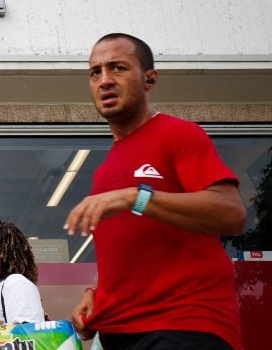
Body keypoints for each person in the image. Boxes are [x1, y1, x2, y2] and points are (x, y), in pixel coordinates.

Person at [64, 33, 247, 350]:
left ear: (149, 79)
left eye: (117, 68)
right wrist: (96, 293)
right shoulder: (104, 170)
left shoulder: (177, 134)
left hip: (184, 326)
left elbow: (231, 214)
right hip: (117, 333)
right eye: (96, 72)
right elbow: (133, 257)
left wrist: (137, 197)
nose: (105, 80)